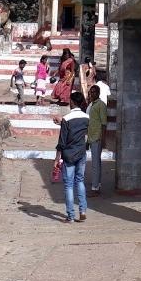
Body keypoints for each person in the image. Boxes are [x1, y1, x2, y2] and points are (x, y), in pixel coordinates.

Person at [54, 91, 89, 223]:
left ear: (72, 102)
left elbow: (61, 142)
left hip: (68, 154)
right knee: (80, 181)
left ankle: (70, 215)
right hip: (81, 152)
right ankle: (83, 210)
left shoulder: (67, 119)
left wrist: (57, 159)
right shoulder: (87, 118)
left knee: (69, 185)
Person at [86, 85, 107, 196]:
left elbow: (104, 124)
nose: (92, 94)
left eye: (94, 92)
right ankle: (97, 184)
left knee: (95, 164)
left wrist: (103, 139)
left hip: (97, 137)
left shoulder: (101, 105)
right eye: (90, 92)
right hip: (91, 136)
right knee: (96, 163)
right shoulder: (91, 105)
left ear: (98, 93)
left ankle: (95, 188)